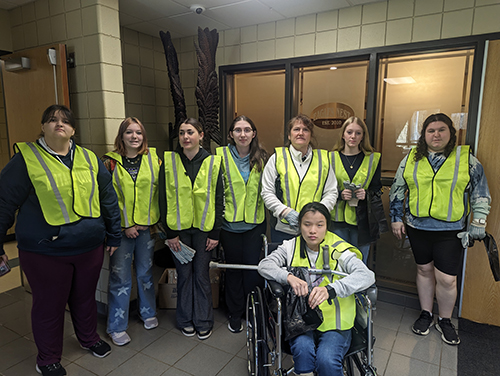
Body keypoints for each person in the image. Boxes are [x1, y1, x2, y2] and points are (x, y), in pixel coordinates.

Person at [0, 105, 121, 376]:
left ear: (73, 129)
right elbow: (3, 204)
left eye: (65, 121)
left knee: (84, 298)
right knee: (49, 304)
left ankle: (88, 338)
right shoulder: (26, 159)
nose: (59, 124)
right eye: (52, 120)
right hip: (45, 251)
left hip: (89, 247)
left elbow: (108, 198)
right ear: (42, 127)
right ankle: (48, 358)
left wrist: (114, 233)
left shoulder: (89, 158)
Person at [390, 113, 491, 345]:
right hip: (417, 228)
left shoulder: (466, 160)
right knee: (424, 271)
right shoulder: (411, 160)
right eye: (431, 131)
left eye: (441, 130)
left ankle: (445, 320)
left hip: (450, 231)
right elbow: (397, 189)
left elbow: (480, 191)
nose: (436, 134)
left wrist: (479, 222)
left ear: (451, 133)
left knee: (447, 279)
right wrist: (396, 218)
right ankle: (426, 313)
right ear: (423, 135)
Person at [258, 202, 375, 376]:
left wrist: (332, 289)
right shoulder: (290, 247)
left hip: (335, 321)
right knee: (303, 352)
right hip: (302, 318)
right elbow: (264, 265)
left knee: (326, 360)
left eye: (319, 225)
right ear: (299, 225)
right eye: (307, 224)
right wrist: (288, 277)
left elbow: (367, 276)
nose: (313, 231)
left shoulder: (339, 249)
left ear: (327, 226)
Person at [159, 117, 223, 340]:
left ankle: (204, 321)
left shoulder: (213, 163)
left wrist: (216, 234)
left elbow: (219, 199)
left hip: (205, 231)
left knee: (201, 276)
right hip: (179, 232)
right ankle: (185, 320)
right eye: (182, 133)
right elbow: (163, 200)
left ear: (201, 135)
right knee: (184, 275)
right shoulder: (169, 162)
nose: (186, 137)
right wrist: (170, 234)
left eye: (190, 132)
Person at [101, 117, 160, 346]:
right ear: (121, 136)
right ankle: (116, 326)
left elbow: (159, 194)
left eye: (139, 132)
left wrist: (149, 222)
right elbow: (105, 199)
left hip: (146, 230)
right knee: (120, 278)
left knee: (145, 273)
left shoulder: (155, 160)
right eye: (129, 132)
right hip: (120, 232)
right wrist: (124, 226)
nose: (134, 137)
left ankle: (147, 312)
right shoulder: (108, 163)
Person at [216, 115, 269, 333]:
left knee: (252, 270)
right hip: (229, 226)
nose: (243, 134)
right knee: (234, 270)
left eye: (247, 130)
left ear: (253, 133)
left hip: (255, 225)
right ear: (231, 134)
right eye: (238, 130)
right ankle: (235, 313)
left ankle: (254, 311)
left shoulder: (263, 157)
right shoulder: (219, 157)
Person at [261, 114, 338, 243]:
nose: (301, 133)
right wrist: (285, 212)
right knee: (284, 262)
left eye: (305, 130)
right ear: (289, 135)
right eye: (296, 129)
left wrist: (317, 214)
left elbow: (331, 191)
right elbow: (267, 192)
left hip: (314, 231)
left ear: (311, 136)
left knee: (312, 263)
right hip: (283, 229)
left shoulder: (323, 159)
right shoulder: (277, 158)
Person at [330, 116, 385, 264]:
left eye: (358, 133)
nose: (353, 136)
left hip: (362, 221)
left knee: (359, 263)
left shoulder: (373, 158)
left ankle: (359, 289)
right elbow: (324, 189)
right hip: (337, 221)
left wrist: (366, 194)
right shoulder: (330, 158)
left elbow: (376, 189)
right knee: (338, 262)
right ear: (343, 134)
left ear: (363, 136)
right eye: (349, 132)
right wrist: (340, 195)